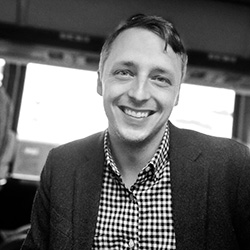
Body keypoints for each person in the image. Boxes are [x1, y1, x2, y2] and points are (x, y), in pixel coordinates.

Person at [21, 14, 250, 250]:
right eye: (125, 73)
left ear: (177, 94)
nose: (139, 95)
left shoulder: (233, 167)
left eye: (160, 78)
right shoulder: (61, 166)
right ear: (100, 82)